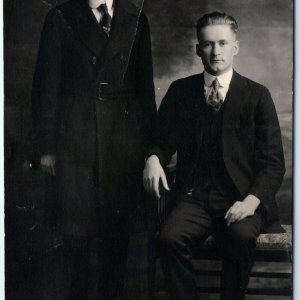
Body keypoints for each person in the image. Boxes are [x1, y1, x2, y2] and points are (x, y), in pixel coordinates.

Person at [143, 11, 285, 300]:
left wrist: (251, 202)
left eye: (222, 43)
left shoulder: (257, 95)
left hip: (243, 198)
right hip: (195, 199)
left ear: (235, 46)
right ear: (197, 49)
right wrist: (153, 158)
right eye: (207, 44)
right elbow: (159, 140)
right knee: (169, 239)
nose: (215, 51)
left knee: (241, 236)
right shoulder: (181, 91)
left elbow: (273, 164)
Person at [32, 0, 156, 299]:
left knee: (117, 235)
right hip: (75, 136)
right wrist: (47, 148)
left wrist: (152, 148)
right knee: (77, 235)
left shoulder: (135, 17)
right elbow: (46, 86)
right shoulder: (61, 16)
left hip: (123, 140)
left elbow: (145, 87)